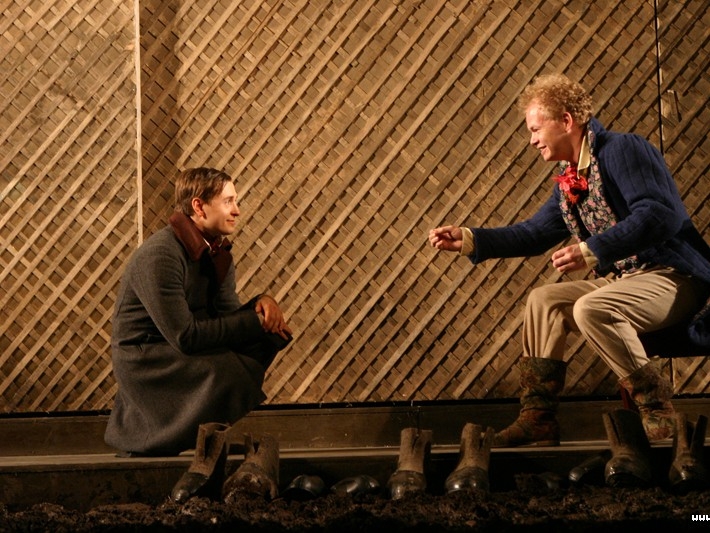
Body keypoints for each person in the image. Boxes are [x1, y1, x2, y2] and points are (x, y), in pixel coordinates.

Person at [429, 74, 710, 447]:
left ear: (566, 120)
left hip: (675, 276)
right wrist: (469, 238)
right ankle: (538, 419)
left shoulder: (622, 149)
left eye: (535, 129)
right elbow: (534, 233)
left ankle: (657, 410)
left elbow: (660, 213)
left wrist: (591, 250)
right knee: (544, 301)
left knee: (592, 308)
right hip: (629, 281)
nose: (532, 140)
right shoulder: (570, 179)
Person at [105, 167, 292, 456]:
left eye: (235, 201)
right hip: (147, 357)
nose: (237, 210)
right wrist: (252, 320)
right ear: (199, 206)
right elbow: (184, 336)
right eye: (228, 201)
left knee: (265, 338)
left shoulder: (216, 252)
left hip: (177, 345)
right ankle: (168, 440)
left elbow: (229, 316)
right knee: (226, 369)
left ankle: (206, 436)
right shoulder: (161, 254)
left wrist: (261, 304)